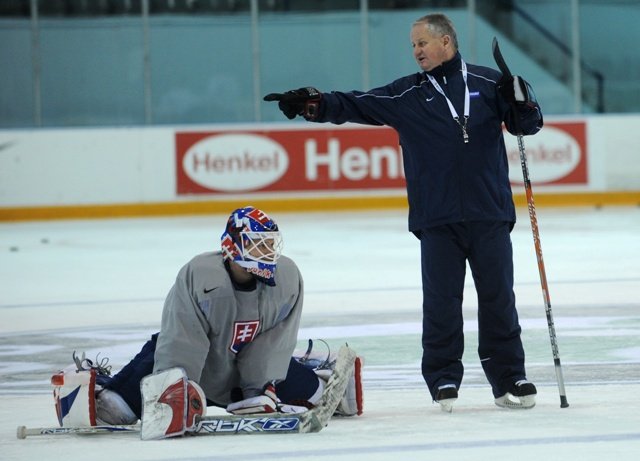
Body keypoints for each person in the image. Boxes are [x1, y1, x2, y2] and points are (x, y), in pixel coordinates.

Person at [264, 13, 541, 412]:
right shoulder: (407, 94)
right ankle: (443, 377)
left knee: (499, 299)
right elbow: (357, 103)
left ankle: (510, 376)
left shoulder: (488, 83)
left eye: (422, 43)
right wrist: (315, 103)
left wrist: (525, 103)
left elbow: (526, 125)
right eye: (413, 45)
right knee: (441, 303)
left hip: (489, 213)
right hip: (437, 218)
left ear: (446, 41)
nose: (416, 51)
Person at [52, 206, 363, 434]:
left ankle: (317, 372)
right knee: (114, 410)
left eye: (270, 244)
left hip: (241, 370)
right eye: (258, 243)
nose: (268, 252)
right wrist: (175, 391)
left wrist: (260, 387)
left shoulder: (287, 277)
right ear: (232, 246)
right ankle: (100, 385)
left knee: (323, 397)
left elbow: (275, 342)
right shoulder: (201, 276)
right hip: (199, 366)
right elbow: (182, 337)